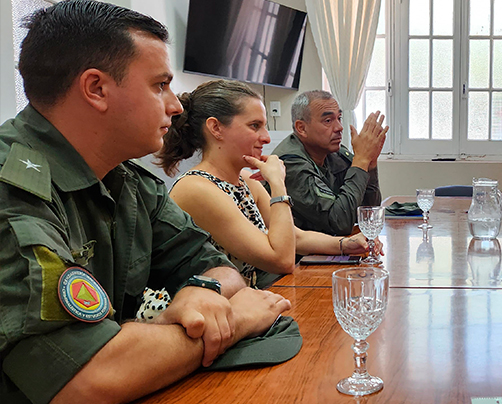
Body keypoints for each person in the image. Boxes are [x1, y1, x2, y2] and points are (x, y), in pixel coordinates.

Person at [0, 2, 290, 403]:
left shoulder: (127, 181)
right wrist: (236, 321)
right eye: (159, 85)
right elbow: (87, 378)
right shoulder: (11, 189)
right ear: (96, 89)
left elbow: (218, 268)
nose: (174, 105)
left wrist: (202, 290)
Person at [156, 79, 378, 289]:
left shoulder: (243, 179)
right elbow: (281, 260)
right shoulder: (198, 189)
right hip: (200, 318)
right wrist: (277, 184)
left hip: (243, 304)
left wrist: (343, 245)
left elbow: (295, 236)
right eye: (255, 126)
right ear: (216, 128)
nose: (266, 137)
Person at [271, 90, 387, 236]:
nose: (339, 127)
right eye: (328, 121)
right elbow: (339, 222)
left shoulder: (334, 153)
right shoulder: (290, 164)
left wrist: (370, 164)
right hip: (301, 255)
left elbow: (368, 214)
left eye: (339, 118)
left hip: (331, 248)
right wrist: (361, 160)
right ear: (302, 128)